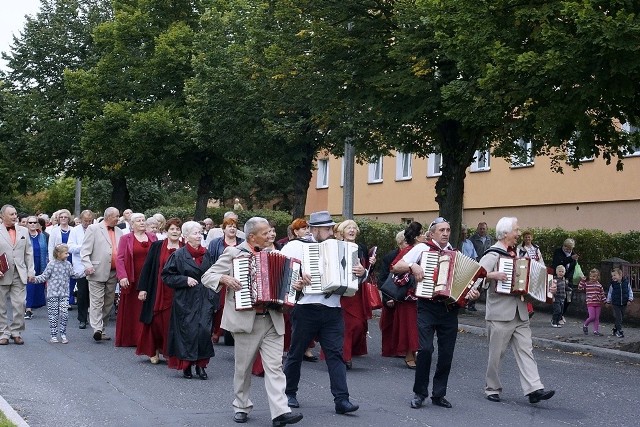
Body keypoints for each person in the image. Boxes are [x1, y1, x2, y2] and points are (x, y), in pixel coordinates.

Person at [201, 217, 303, 426]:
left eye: (270, 232)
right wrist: (224, 279)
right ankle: (241, 405)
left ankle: (280, 412)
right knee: (243, 368)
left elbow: (287, 290)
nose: (270, 235)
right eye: (265, 233)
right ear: (251, 236)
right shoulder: (233, 253)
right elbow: (207, 276)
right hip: (246, 321)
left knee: (275, 367)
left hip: (272, 319)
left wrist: (297, 286)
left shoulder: (275, 255)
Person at [393, 217, 480, 409]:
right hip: (427, 306)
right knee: (424, 350)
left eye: (448, 230)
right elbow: (396, 267)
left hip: (449, 310)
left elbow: (468, 283)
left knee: (446, 353)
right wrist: (413, 265)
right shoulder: (422, 249)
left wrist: (472, 292)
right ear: (431, 233)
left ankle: (439, 394)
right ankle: (419, 392)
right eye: (441, 230)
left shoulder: (455, 253)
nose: (445, 233)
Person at [281, 210, 360, 415]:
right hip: (306, 307)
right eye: (326, 228)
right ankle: (289, 393)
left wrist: (363, 272)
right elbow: (279, 271)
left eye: (331, 228)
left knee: (336, 354)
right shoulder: (296, 246)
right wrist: (297, 277)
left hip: (333, 309)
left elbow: (354, 274)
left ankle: (342, 400)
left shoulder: (341, 247)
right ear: (314, 229)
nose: (330, 232)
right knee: (296, 352)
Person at [476, 216, 555, 404]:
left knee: (526, 350)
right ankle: (491, 388)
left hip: (520, 312)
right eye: (516, 230)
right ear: (505, 233)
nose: (519, 233)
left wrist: (546, 289)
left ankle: (534, 388)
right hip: (500, 313)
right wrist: (492, 275)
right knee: (496, 354)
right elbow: (476, 277)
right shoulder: (492, 254)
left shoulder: (518, 255)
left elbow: (527, 283)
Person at [162, 221, 216, 380]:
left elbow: (215, 274)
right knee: (188, 332)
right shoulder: (178, 255)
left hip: (205, 298)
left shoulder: (208, 254)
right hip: (186, 300)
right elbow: (166, 276)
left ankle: (201, 365)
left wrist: (213, 298)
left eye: (200, 233)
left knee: (204, 331)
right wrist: (184, 280)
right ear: (185, 237)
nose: (199, 236)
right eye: (195, 233)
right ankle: (186, 365)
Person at [136, 218, 183, 364]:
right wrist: (142, 288)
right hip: (157, 288)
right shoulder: (157, 246)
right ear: (166, 231)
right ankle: (153, 349)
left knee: (171, 322)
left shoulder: (185, 247)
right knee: (155, 321)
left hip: (177, 291)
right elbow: (148, 267)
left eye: (177, 229)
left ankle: (170, 351)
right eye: (172, 229)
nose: (175, 232)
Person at [379, 224, 421, 369]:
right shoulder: (409, 250)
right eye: (422, 235)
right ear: (416, 237)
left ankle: (414, 351)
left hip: (421, 295)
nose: (425, 237)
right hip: (408, 295)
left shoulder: (425, 249)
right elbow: (395, 268)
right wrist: (411, 267)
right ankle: (410, 353)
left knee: (417, 325)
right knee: (410, 326)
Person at [80, 207, 122, 342]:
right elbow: (84, 251)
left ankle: (102, 329)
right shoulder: (93, 229)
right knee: (97, 301)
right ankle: (97, 328)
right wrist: (88, 265)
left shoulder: (119, 231)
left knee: (108, 303)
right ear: (108, 216)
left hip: (113, 272)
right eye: (116, 216)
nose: (118, 218)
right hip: (96, 270)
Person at [115, 213, 157, 347]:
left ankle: (145, 338)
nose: (142, 222)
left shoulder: (153, 237)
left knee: (147, 306)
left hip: (149, 278)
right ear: (132, 224)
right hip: (132, 277)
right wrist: (122, 276)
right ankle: (131, 338)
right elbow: (120, 258)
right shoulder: (125, 238)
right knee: (132, 309)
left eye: (143, 220)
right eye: (138, 221)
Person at [337, 219, 374, 369]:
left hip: (357, 292)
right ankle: (344, 357)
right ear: (342, 232)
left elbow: (366, 274)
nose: (352, 230)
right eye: (348, 228)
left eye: (354, 228)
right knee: (344, 325)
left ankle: (346, 352)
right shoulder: (335, 247)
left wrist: (366, 269)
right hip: (339, 292)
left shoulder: (361, 248)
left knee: (359, 325)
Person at [32, 244, 85, 343]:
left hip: (64, 294)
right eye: (66, 253)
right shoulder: (51, 264)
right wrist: (33, 279)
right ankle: (53, 335)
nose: (68, 255)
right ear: (58, 254)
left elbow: (74, 275)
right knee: (53, 315)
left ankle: (63, 334)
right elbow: (44, 277)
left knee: (64, 314)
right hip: (52, 294)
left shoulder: (68, 264)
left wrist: (85, 272)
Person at [0, 204, 35, 345]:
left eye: (15, 214)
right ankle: (3, 332)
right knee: (1, 305)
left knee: (20, 304)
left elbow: (28, 252)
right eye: (11, 214)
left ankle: (16, 331)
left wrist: (30, 271)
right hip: (2, 273)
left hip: (19, 273)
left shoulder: (23, 231)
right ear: (2, 216)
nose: (15, 216)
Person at [208, 216, 245, 344]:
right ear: (223, 229)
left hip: (236, 278)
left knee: (233, 306)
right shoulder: (215, 243)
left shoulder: (242, 243)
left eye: (234, 227)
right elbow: (211, 260)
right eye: (229, 226)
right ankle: (216, 331)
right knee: (219, 306)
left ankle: (229, 332)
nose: (232, 229)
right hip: (221, 278)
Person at [68, 210, 95, 329]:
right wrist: (84, 247)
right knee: (82, 293)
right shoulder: (75, 231)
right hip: (81, 265)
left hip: (95, 264)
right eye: (85, 221)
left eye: (90, 221)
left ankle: (94, 318)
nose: (88, 223)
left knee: (94, 294)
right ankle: (82, 319)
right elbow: (70, 247)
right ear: (81, 219)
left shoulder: (96, 229)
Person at [47, 209, 76, 306]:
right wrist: (51, 260)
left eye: (65, 217)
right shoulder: (54, 231)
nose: (63, 219)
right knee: (61, 279)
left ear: (69, 218)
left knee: (71, 279)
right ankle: (60, 299)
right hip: (59, 258)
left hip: (71, 257)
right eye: (61, 217)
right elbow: (51, 246)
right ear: (58, 219)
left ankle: (68, 300)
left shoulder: (73, 230)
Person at [25, 215, 48, 319]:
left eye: (35, 222)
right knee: (29, 284)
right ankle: (28, 309)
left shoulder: (43, 236)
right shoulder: (24, 236)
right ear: (27, 224)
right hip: (28, 263)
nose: (33, 224)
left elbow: (47, 250)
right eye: (30, 222)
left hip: (40, 262)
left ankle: (34, 304)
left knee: (38, 284)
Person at [552, 238, 579, 324]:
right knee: (558, 300)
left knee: (568, 298)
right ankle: (557, 317)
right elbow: (558, 263)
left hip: (567, 279)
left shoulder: (573, 254)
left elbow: (573, 268)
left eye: (570, 248)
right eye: (566, 248)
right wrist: (570, 258)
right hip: (558, 278)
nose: (568, 250)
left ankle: (562, 314)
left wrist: (568, 278)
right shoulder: (558, 252)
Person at [606, 267, 634, 338]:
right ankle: (619, 331)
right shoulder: (613, 284)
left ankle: (615, 329)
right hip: (616, 303)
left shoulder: (626, 283)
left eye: (614, 275)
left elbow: (630, 291)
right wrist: (608, 301)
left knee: (621, 317)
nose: (613, 277)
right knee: (619, 318)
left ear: (620, 275)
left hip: (624, 303)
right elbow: (610, 293)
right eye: (612, 276)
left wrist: (630, 299)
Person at [578, 269, 606, 336]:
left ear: (597, 277)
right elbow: (580, 288)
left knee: (597, 317)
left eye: (594, 276)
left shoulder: (599, 285)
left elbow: (602, 294)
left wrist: (605, 301)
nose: (592, 278)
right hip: (590, 302)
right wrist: (582, 280)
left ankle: (596, 331)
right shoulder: (587, 284)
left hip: (598, 303)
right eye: (591, 276)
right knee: (592, 317)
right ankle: (585, 325)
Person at [459, 224, 479, 311]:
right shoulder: (456, 242)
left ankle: (466, 304)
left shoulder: (469, 243)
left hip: (468, 268)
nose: (464, 235)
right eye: (462, 233)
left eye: (465, 233)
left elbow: (474, 257)